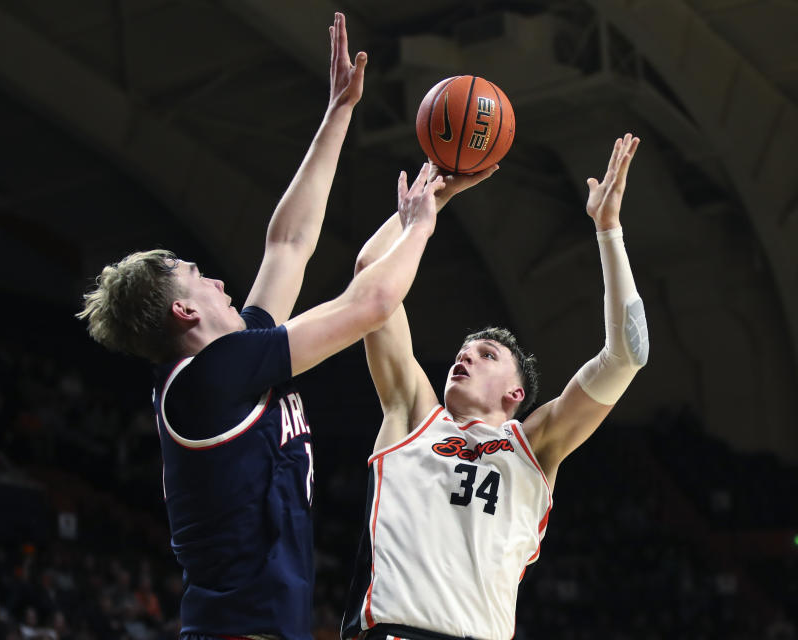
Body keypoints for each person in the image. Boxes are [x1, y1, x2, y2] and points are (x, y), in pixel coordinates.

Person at [77, 14, 493, 640]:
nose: (216, 279)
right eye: (196, 276)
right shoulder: (211, 378)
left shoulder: (228, 359)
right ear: (183, 313)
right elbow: (369, 303)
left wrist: (338, 111)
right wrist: (422, 227)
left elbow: (288, 243)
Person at [341, 134, 648, 640]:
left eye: (487, 356)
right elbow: (370, 279)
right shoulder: (411, 413)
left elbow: (628, 354)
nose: (465, 356)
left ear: (515, 394)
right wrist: (430, 205)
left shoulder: (535, 446)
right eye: (464, 350)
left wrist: (609, 231)